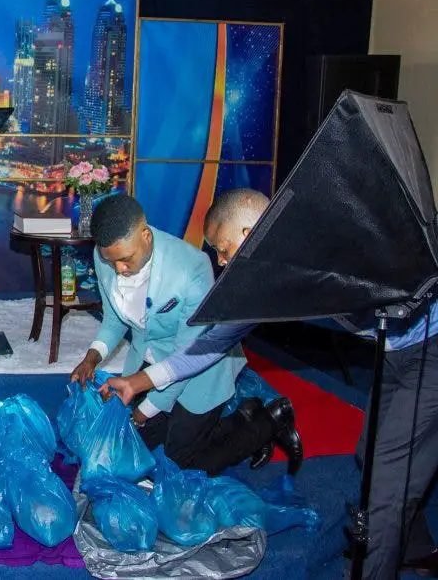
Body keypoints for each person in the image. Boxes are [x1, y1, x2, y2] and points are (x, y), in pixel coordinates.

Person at [101, 188, 437, 579]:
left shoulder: (324, 244)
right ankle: (417, 547)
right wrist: (139, 381)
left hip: (430, 349)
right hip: (397, 352)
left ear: (251, 232)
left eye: (223, 249)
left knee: (386, 482)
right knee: (371, 453)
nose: (221, 262)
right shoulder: (262, 280)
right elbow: (210, 345)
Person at [69, 194, 300, 476]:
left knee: (179, 464)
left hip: (202, 370)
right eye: (111, 260)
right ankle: (239, 414)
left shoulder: (192, 267)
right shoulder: (106, 254)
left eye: (126, 259)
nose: (118, 268)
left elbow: (193, 354)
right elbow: (115, 319)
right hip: (156, 361)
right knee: (134, 445)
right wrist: (93, 356)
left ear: (146, 235)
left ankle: (264, 424)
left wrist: (148, 408)